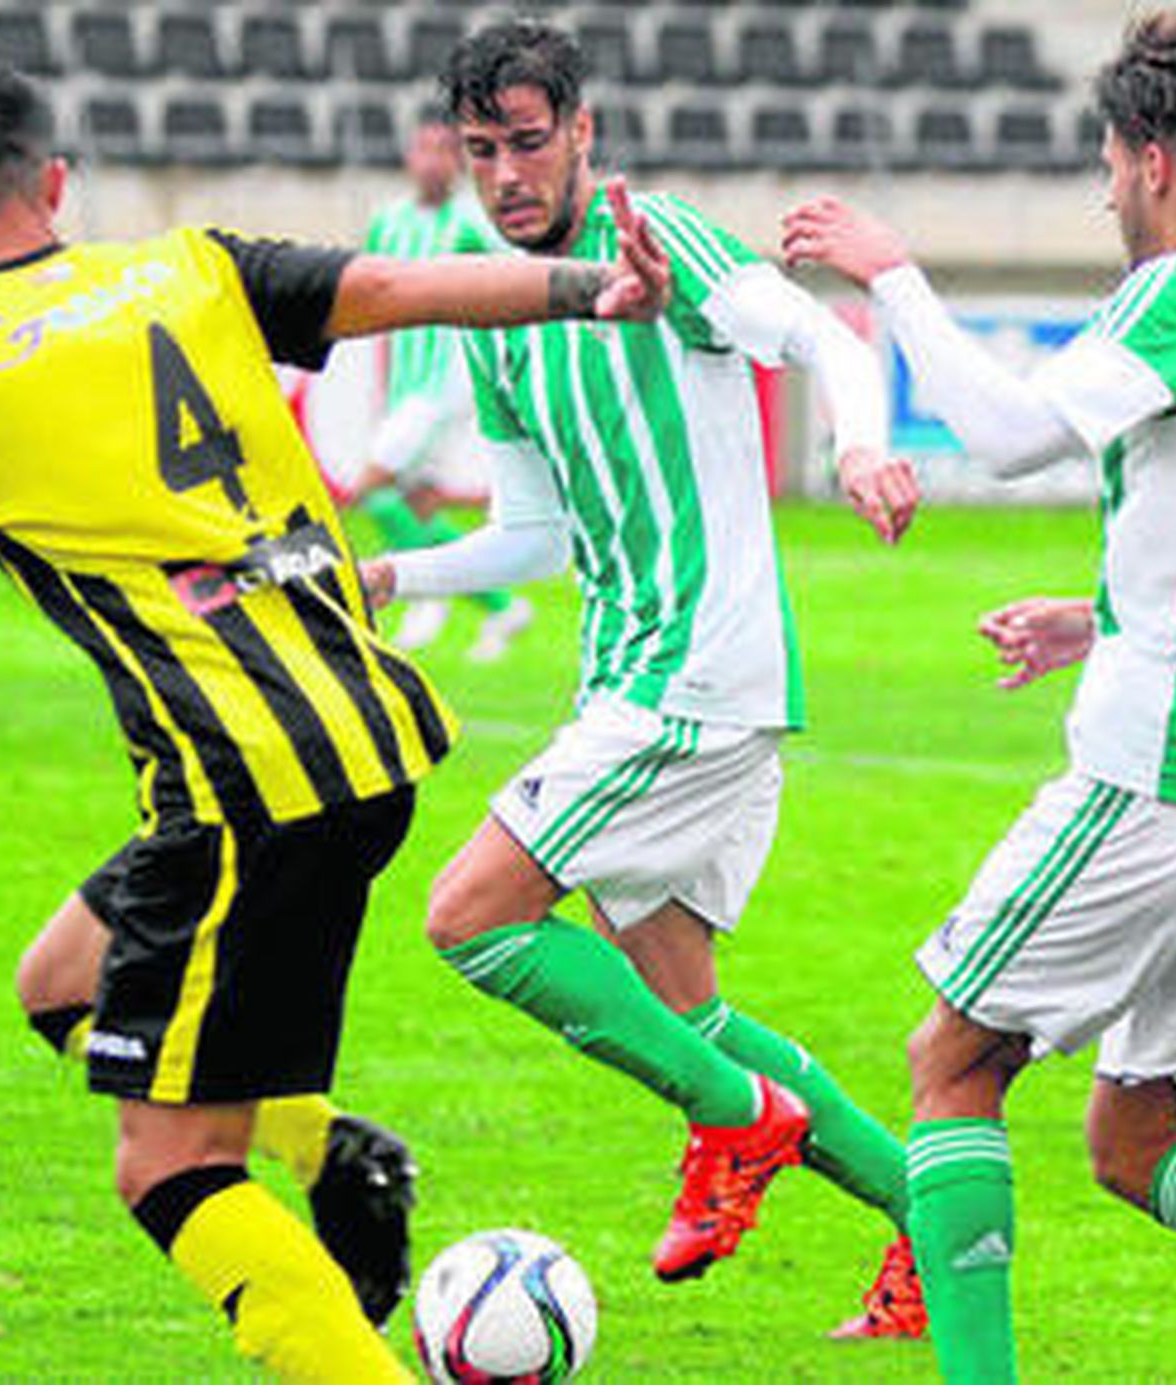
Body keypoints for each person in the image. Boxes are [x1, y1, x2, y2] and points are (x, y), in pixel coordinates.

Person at [0, 59, 669, 1381]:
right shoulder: (189, 267)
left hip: (242, 790)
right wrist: (591, 289)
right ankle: (341, 1154)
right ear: (54, 183)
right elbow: (397, 292)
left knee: (168, 1165)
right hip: (361, 737)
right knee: (62, 982)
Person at [360, 19, 928, 1339]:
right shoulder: (494, 311)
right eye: (484, 148)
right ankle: (928, 1223)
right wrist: (394, 579)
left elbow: (833, 342)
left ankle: (734, 1122)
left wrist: (857, 449)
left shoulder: (659, 237)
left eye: (530, 141)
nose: (507, 172)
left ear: (584, 133)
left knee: (470, 917)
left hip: (694, 674)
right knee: (688, 1008)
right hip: (637, 674)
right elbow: (537, 536)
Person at [784, 14, 1176, 1381]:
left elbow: (1012, 435)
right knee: (1136, 1136)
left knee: (951, 1060)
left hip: (1170, 778)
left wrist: (894, 279)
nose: (1104, 187)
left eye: (1106, 160)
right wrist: (1103, 619)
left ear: (1146, 162)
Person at [349, 112, 533, 662]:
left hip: (443, 385)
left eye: (443, 151)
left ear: (458, 161)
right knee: (416, 505)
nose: (432, 162)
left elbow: (515, 283)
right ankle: (501, 607)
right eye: (423, 150)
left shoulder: (472, 223)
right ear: (409, 159)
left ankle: (424, 591)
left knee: (371, 489)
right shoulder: (388, 223)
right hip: (407, 383)